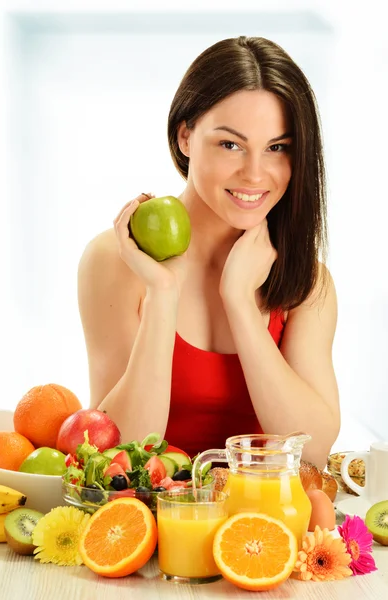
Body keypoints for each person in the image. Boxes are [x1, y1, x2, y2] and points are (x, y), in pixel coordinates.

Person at [77, 36, 340, 469]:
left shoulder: (306, 281)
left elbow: (311, 451)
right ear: (185, 136)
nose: (255, 173)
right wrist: (162, 292)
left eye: (277, 148)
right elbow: (118, 455)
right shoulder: (116, 260)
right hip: (151, 528)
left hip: (262, 531)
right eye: (230, 144)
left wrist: (237, 300)